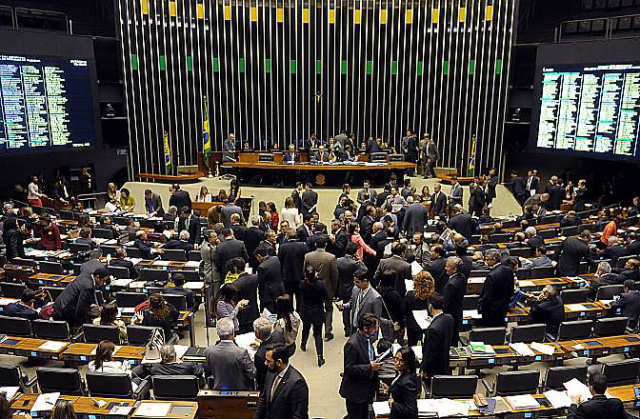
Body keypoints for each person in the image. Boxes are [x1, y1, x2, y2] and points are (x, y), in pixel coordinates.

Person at [339, 313, 382, 419]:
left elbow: (366, 356)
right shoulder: (352, 344)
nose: (376, 330)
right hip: (355, 392)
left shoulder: (366, 339)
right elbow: (349, 368)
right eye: (374, 327)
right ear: (365, 328)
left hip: (365, 388)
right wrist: (370, 367)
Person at [255, 344, 309, 419]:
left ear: (279, 362)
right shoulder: (271, 373)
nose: (265, 363)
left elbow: (299, 416)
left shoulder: (297, 383)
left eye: (268, 361)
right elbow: (264, 399)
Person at [204, 317, 255, 390]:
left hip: (218, 390)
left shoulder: (208, 351)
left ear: (218, 333)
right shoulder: (241, 352)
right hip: (240, 393)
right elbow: (252, 374)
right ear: (233, 332)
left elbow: (208, 371)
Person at [303, 237, 338, 341]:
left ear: (315, 245)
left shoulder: (308, 256)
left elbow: (304, 272)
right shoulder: (331, 257)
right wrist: (334, 288)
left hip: (312, 287)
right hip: (327, 287)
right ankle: (328, 331)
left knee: (314, 307)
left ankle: (315, 329)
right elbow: (334, 275)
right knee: (328, 309)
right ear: (326, 245)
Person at [298, 266, 328, 367]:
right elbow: (326, 297)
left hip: (306, 310)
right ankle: (320, 356)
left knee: (305, 329)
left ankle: (303, 344)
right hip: (317, 310)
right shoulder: (320, 285)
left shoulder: (302, 284)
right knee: (318, 334)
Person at [478, 250, 514, 327]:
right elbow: (511, 290)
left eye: (487, 259)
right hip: (504, 307)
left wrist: (482, 308)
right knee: (500, 330)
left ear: (494, 259)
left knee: (490, 332)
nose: (486, 261)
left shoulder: (491, 275)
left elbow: (487, 297)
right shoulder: (509, 270)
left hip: (491, 311)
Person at [421, 292, 453, 378]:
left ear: (430, 306)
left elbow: (430, 355)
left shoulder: (432, 330)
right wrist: (433, 321)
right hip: (445, 365)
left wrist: (424, 369)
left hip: (434, 372)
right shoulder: (449, 318)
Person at [342, 271, 383, 335]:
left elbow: (376, 319)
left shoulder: (375, 298)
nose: (355, 284)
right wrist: (344, 306)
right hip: (354, 328)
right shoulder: (355, 289)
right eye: (354, 281)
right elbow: (352, 302)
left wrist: (371, 337)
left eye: (357, 282)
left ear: (365, 281)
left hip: (366, 332)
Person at [132, 344, 204, 380]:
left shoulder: (155, 369)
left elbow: (135, 372)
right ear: (175, 354)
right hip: (189, 395)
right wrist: (181, 362)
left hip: (164, 397)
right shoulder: (189, 366)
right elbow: (200, 372)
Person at [253, 317, 286, 391]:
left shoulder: (259, 355)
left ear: (257, 334)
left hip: (268, 384)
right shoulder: (278, 334)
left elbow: (260, 378)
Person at [386, 347, 419, 419]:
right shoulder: (400, 373)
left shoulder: (408, 382)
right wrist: (389, 389)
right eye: (396, 359)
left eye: (401, 361)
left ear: (408, 362)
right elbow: (400, 391)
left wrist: (393, 404)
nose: (397, 363)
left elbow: (411, 411)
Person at [278, 229, 307, 305]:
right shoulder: (303, 245)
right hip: (300, 275)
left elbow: (280, 260)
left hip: (287, 275)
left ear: (287, 236)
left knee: (288, 296)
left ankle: (290, 312)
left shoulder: (282, 247)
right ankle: (299, 312)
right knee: (300, 296)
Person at [443, 257, 467, 346]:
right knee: (454, 337)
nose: (445, 268)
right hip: (458, 312)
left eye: (447, 267)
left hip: (450, 315)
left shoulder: (451, 285)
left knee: (450, 339)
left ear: (455, 269)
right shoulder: (462, 277)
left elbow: (447, 305)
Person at [256, 246, 285, 313]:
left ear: (259, 255)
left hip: (268, 293)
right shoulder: (275, 258)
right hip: (279, 288)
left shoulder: (262, 267)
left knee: (270, 314)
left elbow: (260, 282)